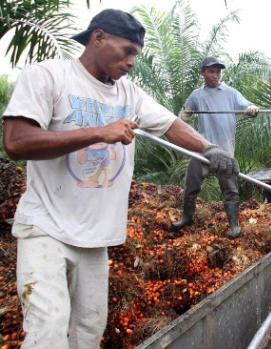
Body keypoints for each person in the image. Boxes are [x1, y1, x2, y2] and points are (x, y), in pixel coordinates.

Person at [1, 9, 238, 349]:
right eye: (126, 50)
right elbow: (17, 142)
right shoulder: (49, 76)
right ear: (98, 38)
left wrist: (210, 148)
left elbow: (171, 125)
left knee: (88, 332)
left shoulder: (130, 94)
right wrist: (99, 132)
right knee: (48, 331)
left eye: (136, 55)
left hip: (97, 239)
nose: (131, 62)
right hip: (45, 228)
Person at [171, 57, 259, 238]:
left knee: (230, 189)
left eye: (218, 71)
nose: (215, 75)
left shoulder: (231, 93)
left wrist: (251, 109)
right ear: (203, 73)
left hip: (225, 151)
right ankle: (187, 217)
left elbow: (247, 106)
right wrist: (180, 119)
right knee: (191, 185)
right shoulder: (197, 95)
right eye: (211, 71)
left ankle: (234, 225)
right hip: (203, 150)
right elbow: (183, 117)